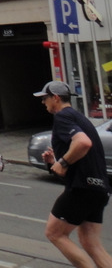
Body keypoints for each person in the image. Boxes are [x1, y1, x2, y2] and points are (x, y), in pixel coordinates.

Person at [34, 80, 112, 267]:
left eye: (45, 98)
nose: (43, 102)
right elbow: (84, 153)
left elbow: (83, 143)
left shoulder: (62, 117)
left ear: (56, 98)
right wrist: (56, 161)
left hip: (82, 188)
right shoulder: (79, 117)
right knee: (91, 244)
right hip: (99, 188)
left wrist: (63, 161)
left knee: (54, 233)